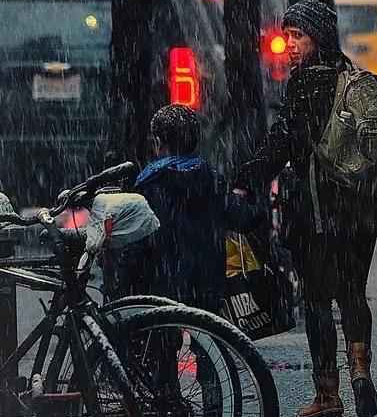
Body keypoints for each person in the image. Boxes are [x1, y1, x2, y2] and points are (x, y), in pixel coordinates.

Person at [233, 0, 377, 417]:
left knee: (317, 299)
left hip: (314, 212)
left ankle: (327, 393)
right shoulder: (358, 82)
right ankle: (360, 369)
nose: (290, 44)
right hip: (360, 211)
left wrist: (245, 181)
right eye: (288, 35)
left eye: (298, 35)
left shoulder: (304, 86)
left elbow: (280, 144)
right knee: (353, 292)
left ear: (317, 37)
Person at [103, 104, 263, 310]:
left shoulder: (151, 185)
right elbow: (244, 218)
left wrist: (124, 273)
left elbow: (138, 240)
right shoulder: (211, 180)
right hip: (208, 286)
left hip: (164, 288)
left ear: (159, 142)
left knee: (164, 340)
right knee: (206, 336)